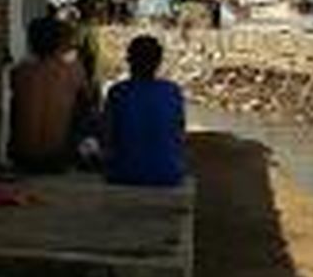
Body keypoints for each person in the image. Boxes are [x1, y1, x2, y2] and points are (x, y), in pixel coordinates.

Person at [103, 35, 186, 187]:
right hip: (169, 174)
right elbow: (178, 134)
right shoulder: (173, 91)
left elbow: (108, 137)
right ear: (158, 62)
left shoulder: (118, 92)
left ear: (129, 61)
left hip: (124, 174)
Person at [10, 16, 90, 172]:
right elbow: (87, 106)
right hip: (56, 159)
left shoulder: (19, 72)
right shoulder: (74, 71)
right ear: (61, 43)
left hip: (21, 157)